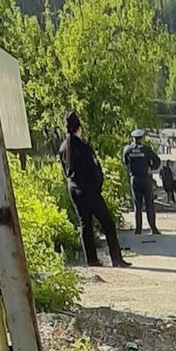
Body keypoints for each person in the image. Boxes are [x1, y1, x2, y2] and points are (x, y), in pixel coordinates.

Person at [58, 111, 131, 268]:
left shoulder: (63, 148)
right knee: (108, 224)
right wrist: (97, 188)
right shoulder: (84, 148)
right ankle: (116, 259)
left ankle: (91, 260)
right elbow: (96, 170)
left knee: (85, 224)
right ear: (79, 128)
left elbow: (65, 172)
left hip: (74, 190)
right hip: (90, 191)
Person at [123, 129, 162, 235]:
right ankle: (153, 228)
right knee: (149, 204)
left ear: (133, 138)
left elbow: (125, 162)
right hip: (146, 179)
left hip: (134, 179)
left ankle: (138, 229)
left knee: (137, 205)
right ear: (141, 139)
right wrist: (151, 168)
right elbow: (157, 161)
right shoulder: (146, 149)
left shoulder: (127, 149)